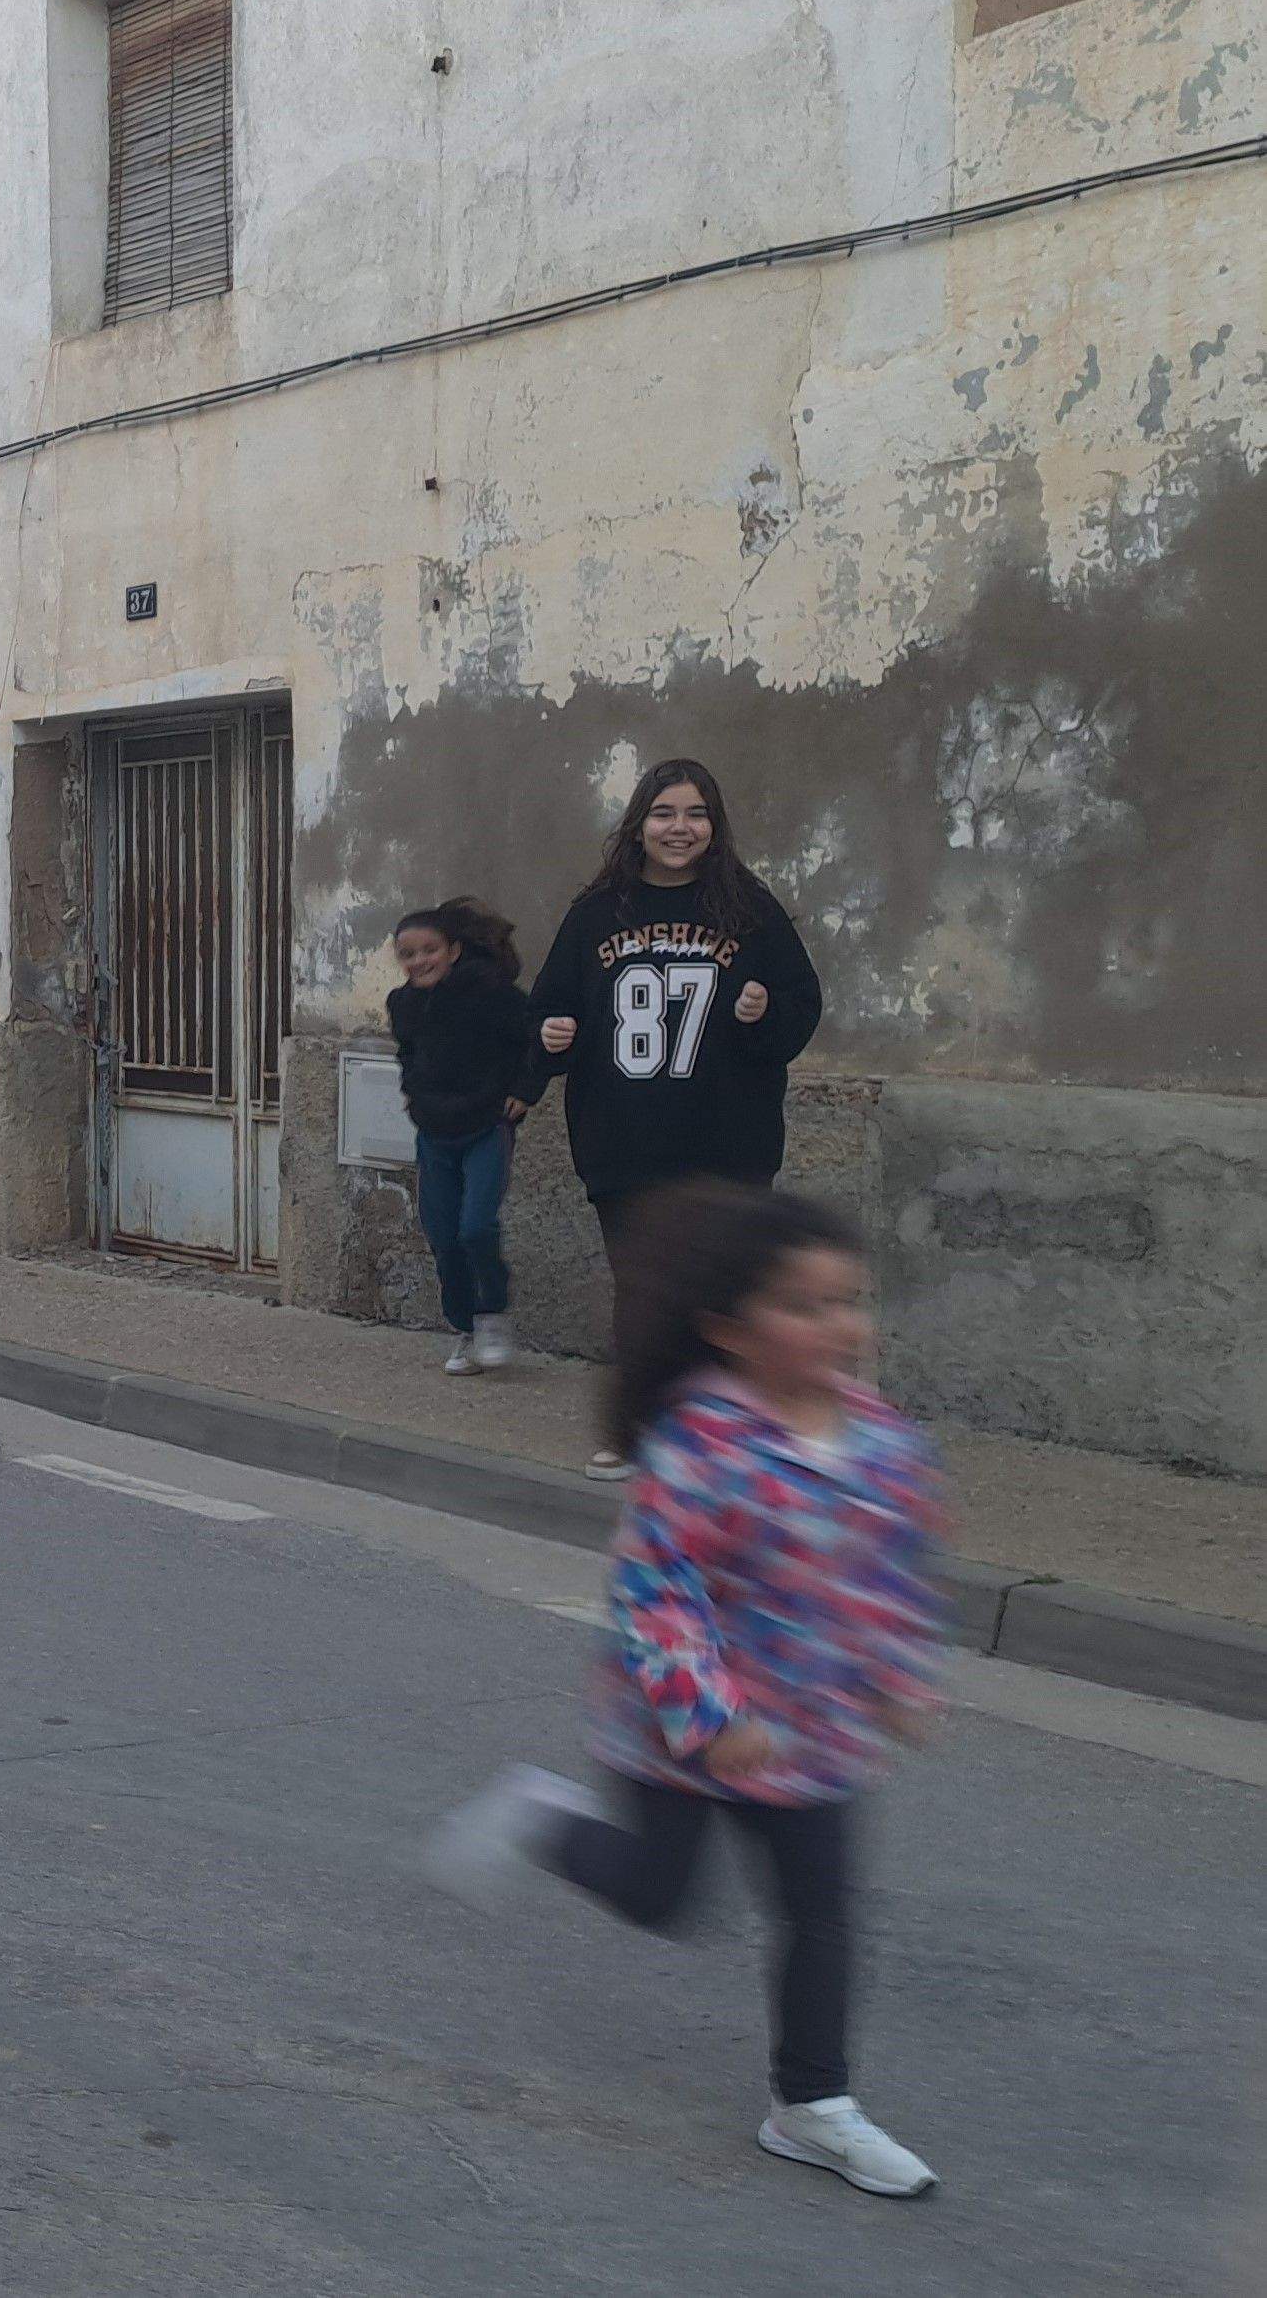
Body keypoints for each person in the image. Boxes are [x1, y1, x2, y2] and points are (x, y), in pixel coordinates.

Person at [428, 1182, 945, 2199]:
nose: (839, 1324)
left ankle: (812, 2104)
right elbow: (658, 1590)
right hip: (679, 1729)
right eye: (805, 1305)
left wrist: (902, 1674)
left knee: (822, 1913)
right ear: (731, 1331)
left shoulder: (885, 1443)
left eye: (849, 1300)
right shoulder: (704, 1445)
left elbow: (895, 1572)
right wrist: (711, 1717)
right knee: (661, 1898)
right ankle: (545, 1818)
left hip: (817, 1731)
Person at [529, 759, 823, 1474]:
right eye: (664, 813)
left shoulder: (749, 909)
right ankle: (642, 1428)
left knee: (736, 1291)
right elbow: (549, 1005)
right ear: (639, 825)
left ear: (713, 827)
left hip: (727, 1141)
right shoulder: (599, 912)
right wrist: (549, 1035)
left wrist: (763, 1016)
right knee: (644, 1294)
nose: (679, 828)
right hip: (623, 1142)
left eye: (695, 814)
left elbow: (800, 1008)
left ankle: (740, 1434)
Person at [388, 898, 544, 1376]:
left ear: (453, 950)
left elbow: (534, 1040)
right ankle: (464, 1329)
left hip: (486, 1128)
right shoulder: (403, 1003)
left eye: (429, 950)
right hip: (434, 1134)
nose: (419, 962)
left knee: (476, 1227)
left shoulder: (493, 993)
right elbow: (408, 1054)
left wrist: (524, 1090)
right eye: (408, 954)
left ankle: (492, 1312)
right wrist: (414, 1094)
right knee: (442, 1236)